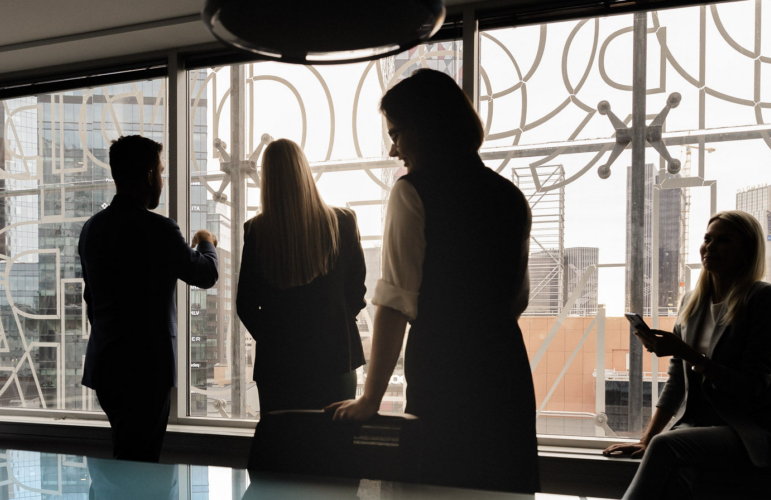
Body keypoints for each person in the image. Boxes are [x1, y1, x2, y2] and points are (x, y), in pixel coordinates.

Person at [327, 69, 540, 493]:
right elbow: (518, 298)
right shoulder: (509, 196)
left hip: (447, 373)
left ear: (424, 128)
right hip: (506, 373)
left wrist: (371, 399)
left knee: (439, 484)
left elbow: (395, 303)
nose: (393, 149)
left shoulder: (412, 192)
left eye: (397, 133)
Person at [604, 210, 771, 499]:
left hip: (753, 428)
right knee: (676, 474)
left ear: (747, 250)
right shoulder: (691, 301)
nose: (710, 247)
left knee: (666, 447)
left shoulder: (764, 298)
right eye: (707, 238)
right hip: (702, 428)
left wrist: (689, 355)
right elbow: (676, 384)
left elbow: (753, 387)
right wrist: (646, 439)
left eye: (724, 240)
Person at [79, 135, 218, 462]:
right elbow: (205, 274)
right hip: (146, 371)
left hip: (107, 367)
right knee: (141, 458)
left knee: (127, 453)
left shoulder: (92, 229)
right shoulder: (159, 230)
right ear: (149, 176)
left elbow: (92, 302)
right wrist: (206, 242)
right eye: (162, 170)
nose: (163, 180)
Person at [236, 139, 366, 414]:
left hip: (279, 367)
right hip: (336, 358)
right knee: (331, 447)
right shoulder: (344, 222)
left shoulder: (257, 232)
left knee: (285, 446)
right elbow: (357, 292)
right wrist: (333, 324)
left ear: (268, 181)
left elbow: (245, 304)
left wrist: (276, 338)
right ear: (305, 172)